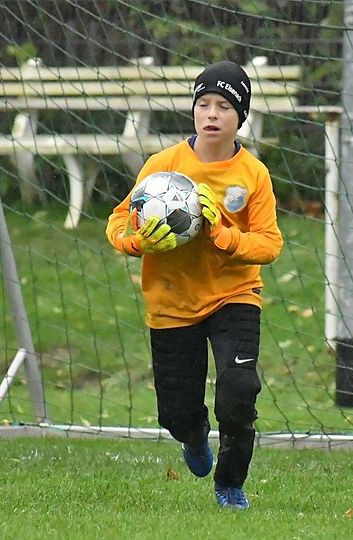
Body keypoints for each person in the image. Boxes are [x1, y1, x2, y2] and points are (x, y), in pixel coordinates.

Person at [106, 60, 283, 510]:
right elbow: (118, 221)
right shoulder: (162, 167)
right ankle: (192, 434)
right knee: (177, 413)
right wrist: (136, 242)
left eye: (224, 106)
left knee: (239, 393)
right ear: (193, 110)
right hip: (171, 301)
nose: (212, 114)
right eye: (204, 104)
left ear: (241, 116)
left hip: (233, 296)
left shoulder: (253, 174)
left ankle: (230, 485)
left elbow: (269, 243)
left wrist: (223, 235)